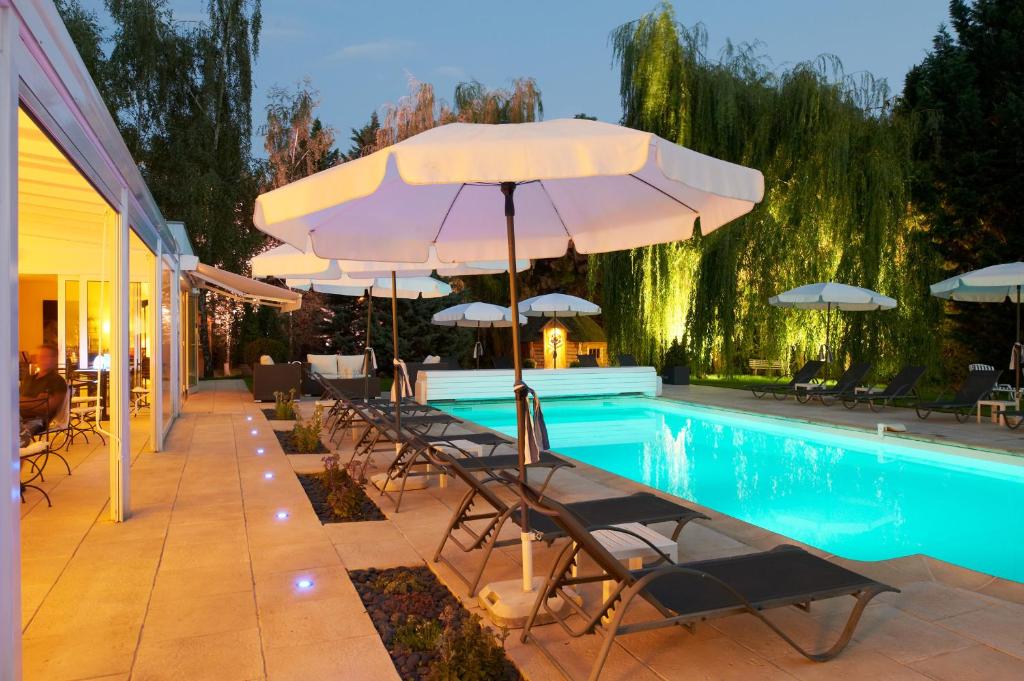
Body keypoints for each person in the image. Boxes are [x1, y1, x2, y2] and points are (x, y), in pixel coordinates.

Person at [20, 342, 67, 437]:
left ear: (54, 359)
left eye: (46, 356)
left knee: (14, 437)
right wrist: (36, 401)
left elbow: (47, 407)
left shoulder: (57, 381)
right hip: (17, 418)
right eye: (40, 356)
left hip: (36, 421)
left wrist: (21, 402)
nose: (42, 359)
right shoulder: (29, 378)